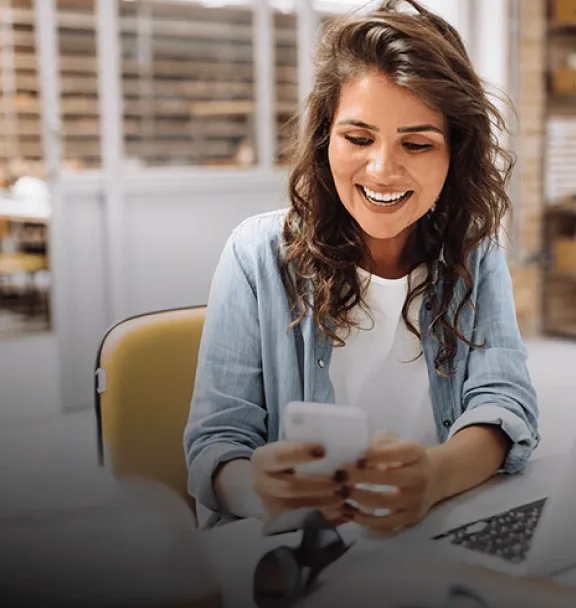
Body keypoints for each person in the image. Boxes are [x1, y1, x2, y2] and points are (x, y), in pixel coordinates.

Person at [184, 0, 540, 530]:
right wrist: (256, 486)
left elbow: (504, 402)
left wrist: (435, 476)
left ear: (455, 154)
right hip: (298, 556)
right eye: (358, 138)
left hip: (428, 539)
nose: (383, 170)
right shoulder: (257, 253)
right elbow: (216, 443)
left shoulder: (473, 251)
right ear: (327, 139)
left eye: (417, 143)